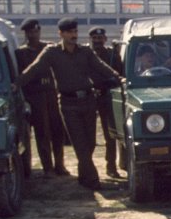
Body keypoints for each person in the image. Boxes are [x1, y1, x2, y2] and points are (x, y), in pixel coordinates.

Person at [17, 18, 121, 191]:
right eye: (69, 32)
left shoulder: (85, 51)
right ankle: (93, 181)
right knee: (80, 145)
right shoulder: (51, 52)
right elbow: (33, 69)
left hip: (88, 101)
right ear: (61, 34)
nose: (74, 35)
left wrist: (119, 78)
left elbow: (101, 66)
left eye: (75, 31)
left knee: (90, 144)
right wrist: (17, 84)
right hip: (68, 103)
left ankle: (83, 176)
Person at [15, 18, 68, 177]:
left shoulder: (49, 48)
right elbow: (22, 75)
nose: (34, 34)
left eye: (36, 31)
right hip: (35, 96)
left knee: (58, 129)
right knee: (42, 131)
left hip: (52, 93)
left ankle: (60, 165)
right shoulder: (21, 53)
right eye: (30, 32)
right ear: (26, 33)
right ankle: (48, 167)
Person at [89, 27, 123, 178]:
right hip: (89, 97)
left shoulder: (111, 55)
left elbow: (120, 73)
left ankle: (111, 166)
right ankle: (88, 167)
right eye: (94, 39)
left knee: (110, 134)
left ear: (105, 39)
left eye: (100, 38)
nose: (97, 41)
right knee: (88, 135)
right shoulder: (85, 54)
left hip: (106, 97)